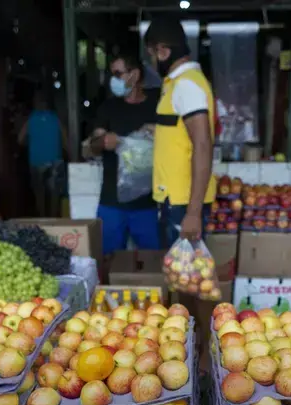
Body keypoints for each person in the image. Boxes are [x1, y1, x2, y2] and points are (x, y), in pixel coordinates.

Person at [144, 18, 217, 364]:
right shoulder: (177, 85)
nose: (150, 61)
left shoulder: (187, 85)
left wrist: (192, 211)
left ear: (162, 50)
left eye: (150, 54)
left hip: (182, 206)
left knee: (194, 283)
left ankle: (206, 356)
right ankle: (190, 350)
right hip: (173, 202)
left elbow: (203, 144)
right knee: (184, 282)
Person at [88, 54, 161, 257]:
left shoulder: (156, 107)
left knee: (154, 261)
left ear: (135, 75)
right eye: (113, 74)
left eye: (118, 74)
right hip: (112, 203)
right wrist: (101, 142)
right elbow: (91, 147)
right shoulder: (108, 108)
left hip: (148, 204)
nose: (114, 79)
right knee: (106, 261)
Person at [19, 91, 67, 217]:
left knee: (39, 194)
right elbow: (65, 139)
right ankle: (53, 220)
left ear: (35, 104)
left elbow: (20, 139)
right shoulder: (55, 118)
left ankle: (42, 220)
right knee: (54, 194)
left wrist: (31, 141)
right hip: (55, 161)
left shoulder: (31, 119)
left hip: (36, 162)